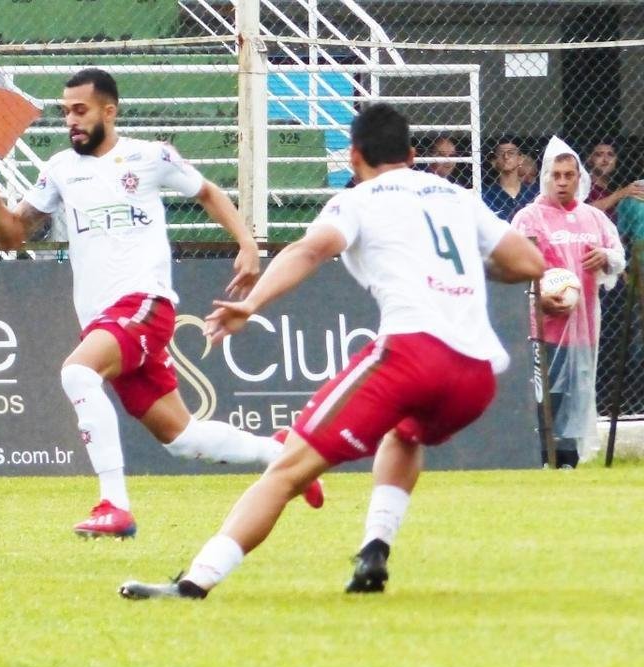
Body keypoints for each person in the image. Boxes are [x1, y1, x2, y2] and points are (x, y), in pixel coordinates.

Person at [118, 103, 544, 600]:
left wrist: (251, 304)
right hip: (475, 376)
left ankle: (194, 582)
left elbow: (309, 250)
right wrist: (472, 267)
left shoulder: (359, 199)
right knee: (406, 435)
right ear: (412, 154)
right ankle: (374, 550)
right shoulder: (457, 195)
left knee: (286, 471)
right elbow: (529, 261)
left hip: (413, 355)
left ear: (353, 156)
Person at [0, 68, 323, 539]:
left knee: (77, 373)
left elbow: (207, 192)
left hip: (144, 303)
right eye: (66, 111)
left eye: (80, 110)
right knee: (182, 439)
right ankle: (282, 453)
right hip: (103, 320)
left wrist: (247, 245)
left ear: (109, 111)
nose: (72, 120)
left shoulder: (149, 157)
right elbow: (12, 237)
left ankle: (114, 506)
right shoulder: (61, 169)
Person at [513, 137, 625, 468]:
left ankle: (568, 461)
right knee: (547, 395)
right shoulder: (528, 217)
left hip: (585, 327)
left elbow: (618, 256)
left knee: (577, 395)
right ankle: (540, 457)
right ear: (546, 175)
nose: (562, 182)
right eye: (556, 174)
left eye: (569, 175)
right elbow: (514, 263)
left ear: (579, 177)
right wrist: (540, 296)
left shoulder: (594, 217)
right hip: (543, 326)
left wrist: (605, 257)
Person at [585, 140, 644, 223]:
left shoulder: (615, 187)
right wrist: (622, 193)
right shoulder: (584, 184)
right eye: (599, 155)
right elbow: (584, 210)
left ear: (616, 160)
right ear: (589, 159)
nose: (605, 159)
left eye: (610, 154)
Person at [482, 138, 539, 221]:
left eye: (511, 153)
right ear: (494, 161)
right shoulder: (486, 194)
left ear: (520, 159)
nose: (506, 156)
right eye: (501, 153)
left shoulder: (535, 193)